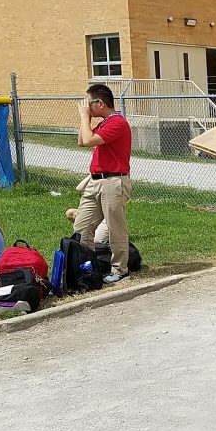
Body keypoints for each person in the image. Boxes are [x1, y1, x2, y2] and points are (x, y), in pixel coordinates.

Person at [73, 83, 131, 284]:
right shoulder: (103, 123)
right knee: (82, 227)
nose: (86, 107)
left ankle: (119, 269)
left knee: (116, 227)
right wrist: (86, 118)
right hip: (95, 181)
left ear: (100, 103)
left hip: (113, 181)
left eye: (89, 104)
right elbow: (82, 140)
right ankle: (86, 267)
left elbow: (89, 141)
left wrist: (83, 117)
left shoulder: (117, 122)